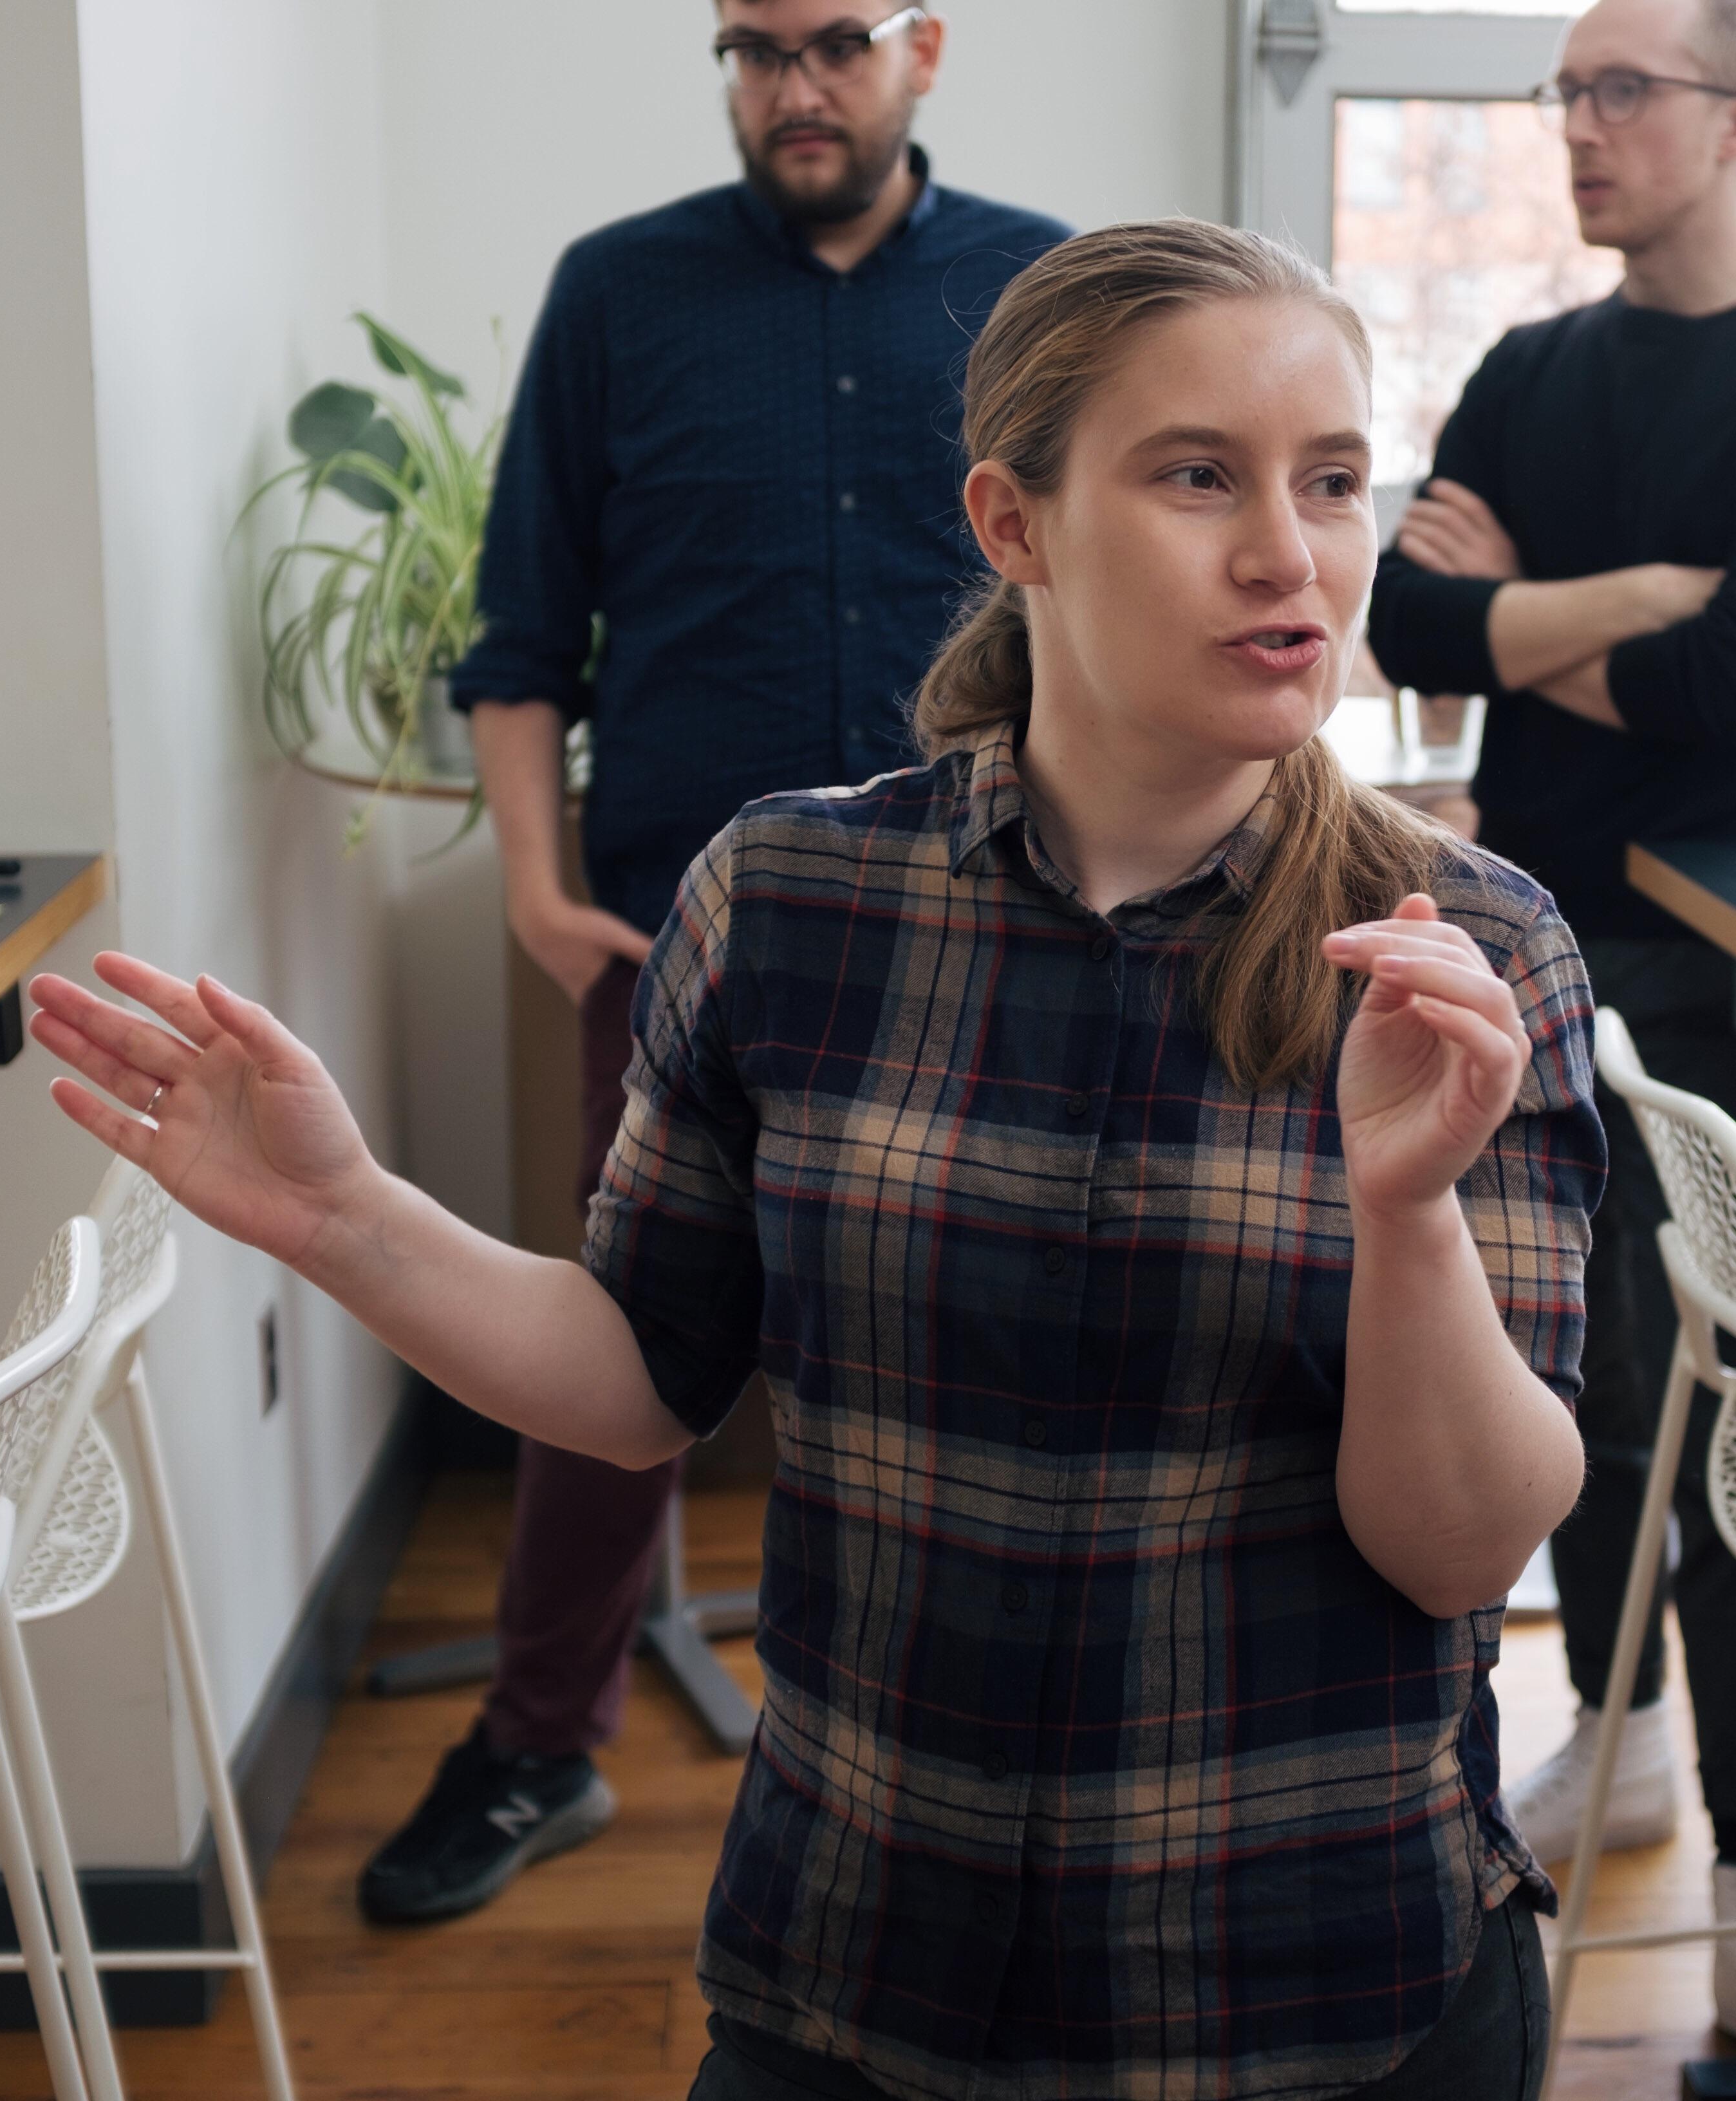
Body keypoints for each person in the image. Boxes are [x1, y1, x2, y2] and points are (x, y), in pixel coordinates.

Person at [34, 221, 1605, 2101]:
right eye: (1200, 475)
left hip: (1318, 1987)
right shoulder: (789, 896)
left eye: (1335, 482)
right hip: (858, 1975)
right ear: (1012, 527)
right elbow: (637, 1389)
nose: (1293, 553)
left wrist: (1405, 1210)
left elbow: (1462, 1546)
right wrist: (346, 1219)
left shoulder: (1464, 949)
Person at [379, 0, 1068, 1924]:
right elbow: (522, 639)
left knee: (999, 1349)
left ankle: (988, 1768)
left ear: (924, 46)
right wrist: (532, 888)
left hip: (998, 928)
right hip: (679, 938)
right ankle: (535, 1746)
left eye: (836, 40)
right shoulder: (617, 294)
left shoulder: (1044, 289)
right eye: (754, 48)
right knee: (619, 1350)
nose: (796, 85)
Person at [1363, 0, 1736, 2057]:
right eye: (1566, 92)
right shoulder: (1532, 366)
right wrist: (1647, 594)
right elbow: (1405, 627)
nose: (1578, 128)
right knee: (1567, 1393)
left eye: (1623, 92)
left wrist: (1539, 610)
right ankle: (1615, 1732)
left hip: (1711, 967)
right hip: (1532, 943)